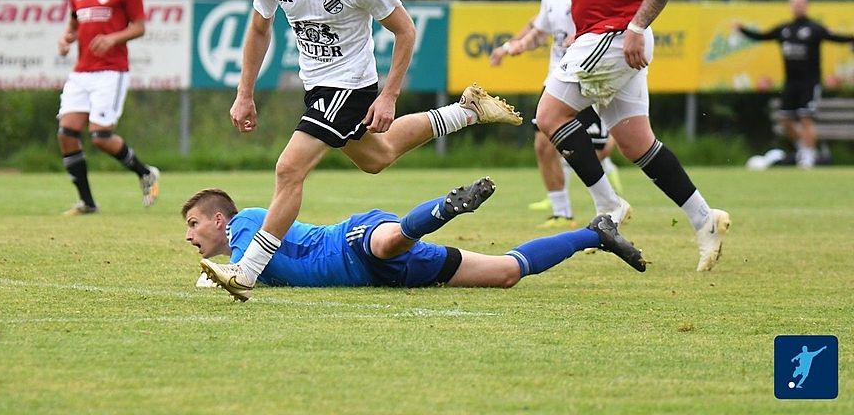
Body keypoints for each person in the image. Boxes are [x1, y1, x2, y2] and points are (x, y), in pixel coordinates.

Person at [207, 0, 522, 300]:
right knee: (379, 156)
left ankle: (247, 271)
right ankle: (468, 112)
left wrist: (388, 95)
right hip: (317, 86)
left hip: (350, 87)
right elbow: (259, 29)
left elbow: (405, 31)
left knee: (289, 168)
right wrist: (244, 93)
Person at [499, 0, 731, 271]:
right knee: (634, 143)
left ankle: (610, 206)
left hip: (614, 37)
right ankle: (705, 219)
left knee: (549, 117)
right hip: (602, 38)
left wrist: (638, 28)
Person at [184, 177, 646, 301]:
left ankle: (445, 207)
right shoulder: (244, 251)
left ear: (221, 219)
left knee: (388, 242)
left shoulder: (246, 223)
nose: (189, 235)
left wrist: (211, 279)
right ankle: (595, 233)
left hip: (350, 241)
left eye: (194, 223)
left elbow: (234, 278)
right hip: (392, 277)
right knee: (506, 273)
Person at [490, 0, 623, 228]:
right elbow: (539, 32)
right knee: (542, 142)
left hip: (591, 75)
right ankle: (561, 212)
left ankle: (610, 193)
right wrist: (511, 47)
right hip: (559, 76)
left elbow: (611, 19)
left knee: (601, 147)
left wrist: (585, 36)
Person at [56, 0, 160, 215]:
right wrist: (66, 39)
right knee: (66, 133)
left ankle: (145, 173)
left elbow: (139, 26)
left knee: (100, 136)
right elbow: (74, 25)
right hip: (81, 72)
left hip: (110, 72)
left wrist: (113, 38)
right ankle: (87, 203)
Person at [735, 0, 854, 169]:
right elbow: (763, 36)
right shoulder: (784, 29)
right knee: (785, 120)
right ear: (791, 5)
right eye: (795, 3)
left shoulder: (815, 29)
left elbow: (837, 38)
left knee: (806, 117)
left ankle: (809, 156)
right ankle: (802, 149)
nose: (798, 6)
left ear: (806, 5)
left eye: (801, 3)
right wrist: (741, 30)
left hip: (810, 82)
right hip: (791, 83)